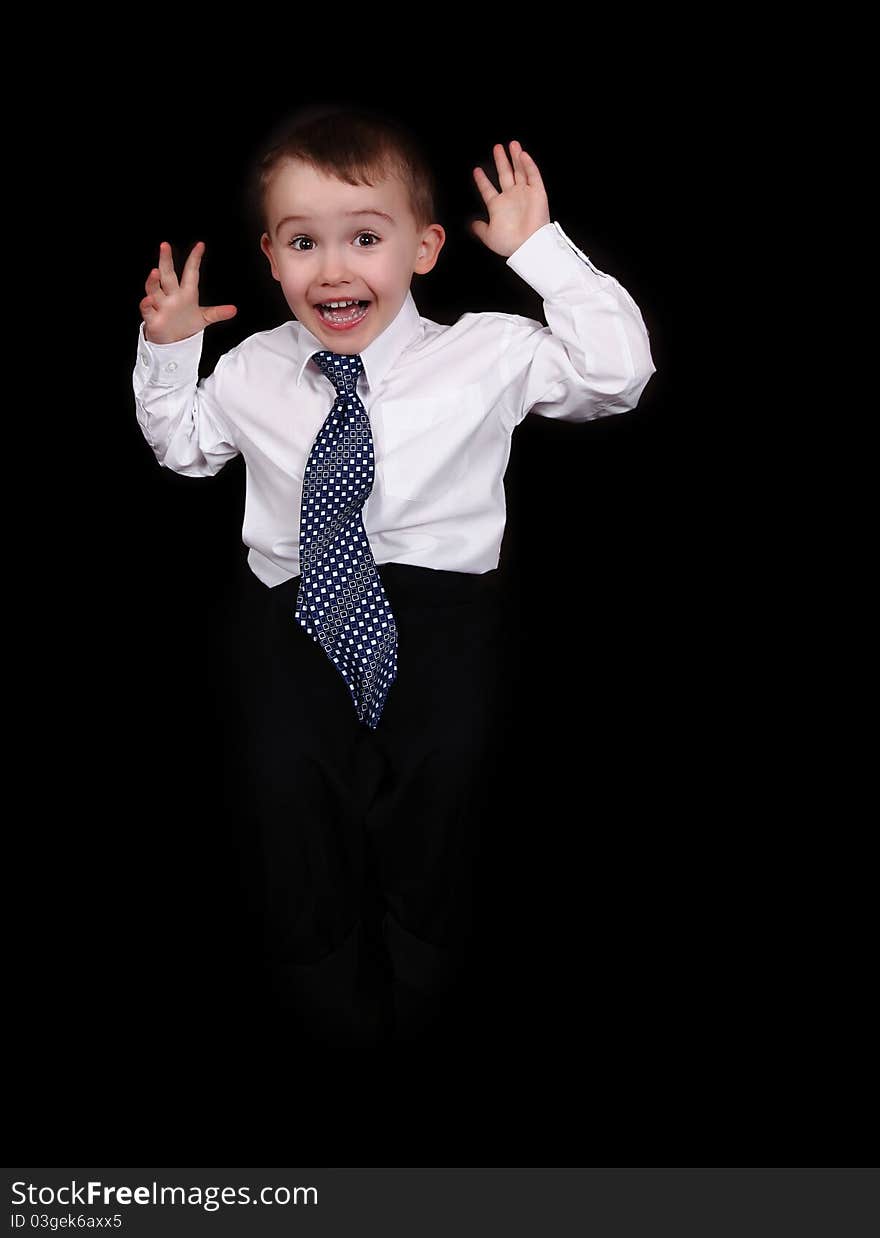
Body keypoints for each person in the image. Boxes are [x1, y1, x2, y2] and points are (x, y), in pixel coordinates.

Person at [131, 106, 656, 1048]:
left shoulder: (484, 351)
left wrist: (543, 253)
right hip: (287, 610)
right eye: (304, 243)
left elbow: (617, 374)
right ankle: (318, 982)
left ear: (424, 247)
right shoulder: (254, 366)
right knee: (286, 786)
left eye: (365, 239)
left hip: (442, 608)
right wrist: (170, 349)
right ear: (272, 256)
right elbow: (184, 450)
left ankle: (423, 966)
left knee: (441, 784)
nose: (334, 270)